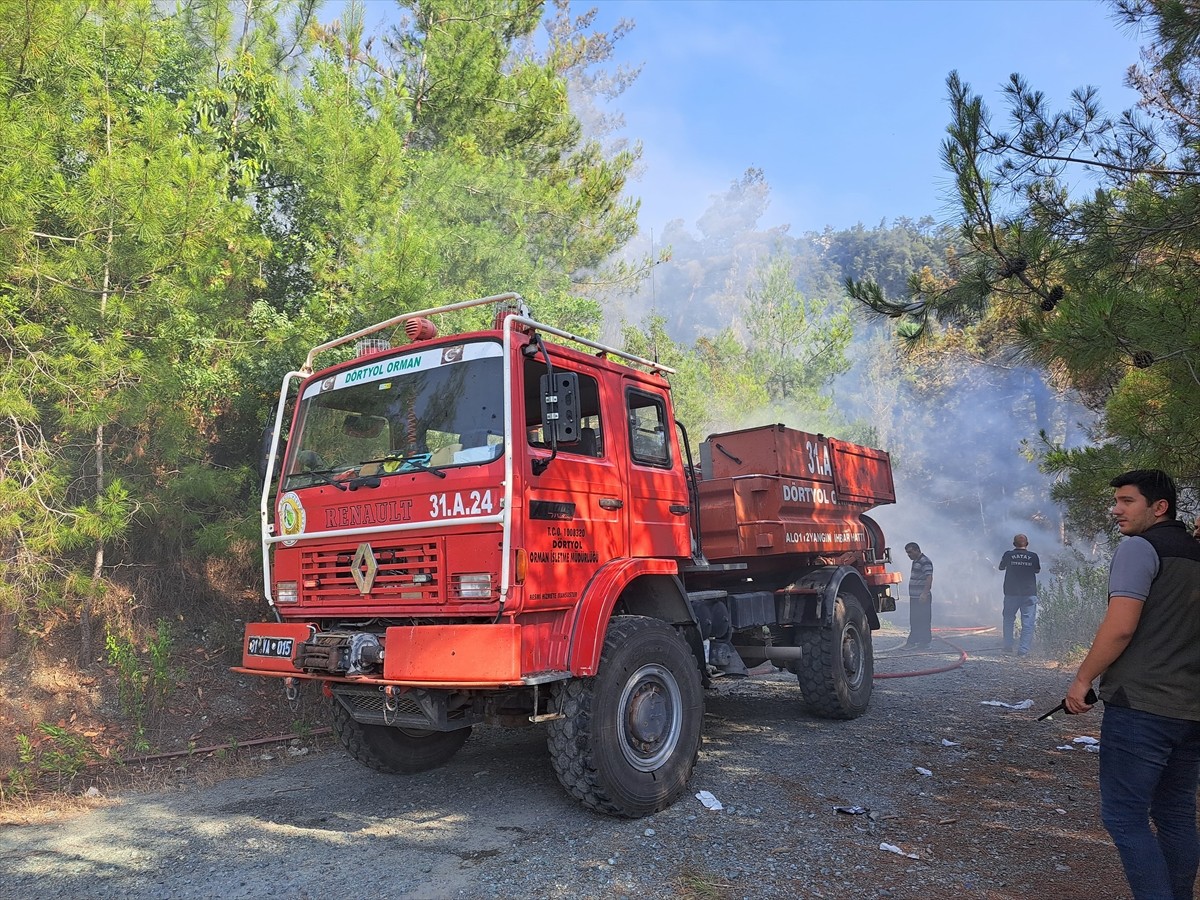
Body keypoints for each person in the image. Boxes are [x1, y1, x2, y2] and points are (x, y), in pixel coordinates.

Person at [1065, 469, 1200, 900]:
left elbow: (1121, 627)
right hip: (1192, 709)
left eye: (1127, 502)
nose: (1115, 510)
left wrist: (1083, 678)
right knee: (1176, 814)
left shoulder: (1139, 548)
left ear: (1159, 507)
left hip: (1142, 707)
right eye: (1116, 501)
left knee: (1125, 817)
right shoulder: (1196, 553)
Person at [998, 534, 1040, 656]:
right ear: (1027, 544)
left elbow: (1001, 567)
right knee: (1028, 622)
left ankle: (1008, 646)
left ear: (1013, 544)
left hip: (1011, 592)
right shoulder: (1033, 556)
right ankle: (1023, 650)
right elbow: (1037, 570)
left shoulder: (1008, 555)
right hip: (1029, 593)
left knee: (1008, 619)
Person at [902, 542, 933, 649]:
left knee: (923, 620)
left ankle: (917, 642)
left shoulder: (925, 561)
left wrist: (924, 593)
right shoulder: (916, 561)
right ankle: (920, 642)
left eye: (910, 552)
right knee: (915, 619)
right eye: (907, 553)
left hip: (921, 597)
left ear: (917, 550)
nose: (909, 555)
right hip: (915, 597)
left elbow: (929, 577)